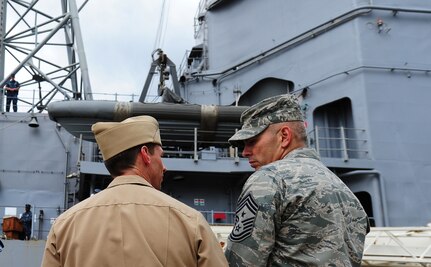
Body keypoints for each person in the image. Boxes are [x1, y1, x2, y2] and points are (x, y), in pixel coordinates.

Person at [41, 115, 228, 267]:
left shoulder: (64, 225)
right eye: (160, 156)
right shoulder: (191, 222)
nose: (164, 167)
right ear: (146, 154)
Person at [224, 94, 370, 266]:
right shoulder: (344, 190)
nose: (245, 152)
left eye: (252, 141)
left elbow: (241, 261)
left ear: (284, 136)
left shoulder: (269, 179)